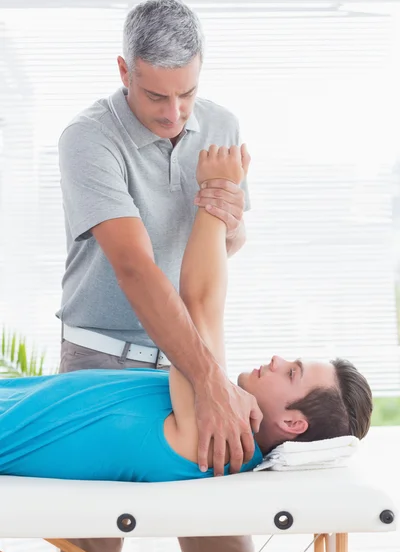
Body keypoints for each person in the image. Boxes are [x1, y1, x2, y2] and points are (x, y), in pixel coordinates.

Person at [0, 146, 372, 485]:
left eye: (292, 372)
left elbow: (198, 303)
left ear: (292, 423)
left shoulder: (216, 442)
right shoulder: (217, 408)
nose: (278, 359)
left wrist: (218, 185)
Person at [56, 0, 263, 552]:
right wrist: (209, 380)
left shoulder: (220, 125)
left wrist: (228, 216)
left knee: (224, 544)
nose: (175, 114)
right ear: (125, 72)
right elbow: (135, 269)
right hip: (101, 358)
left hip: (191, 348)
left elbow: (227, 243)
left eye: (187, 93)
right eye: (156, 97)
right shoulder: (87, 139)